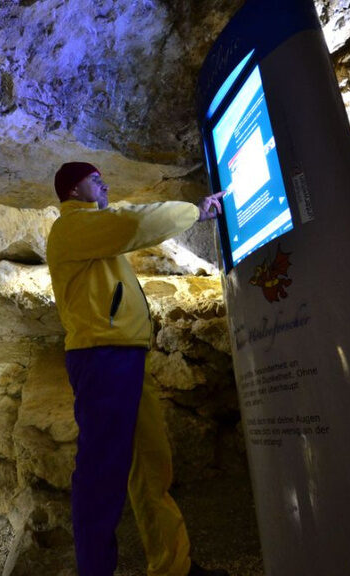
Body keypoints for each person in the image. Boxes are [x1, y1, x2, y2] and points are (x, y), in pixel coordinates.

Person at [46, 161, 229, 576]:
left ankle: (173, 566)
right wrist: (194, 211)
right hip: (102, 356)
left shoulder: (93, 232)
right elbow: (132, 224)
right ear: (73, 191)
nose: (104, 183)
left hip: (123, 354)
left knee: (150, 465)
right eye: (95, 179)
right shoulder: (73, 227)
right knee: (102, 474)